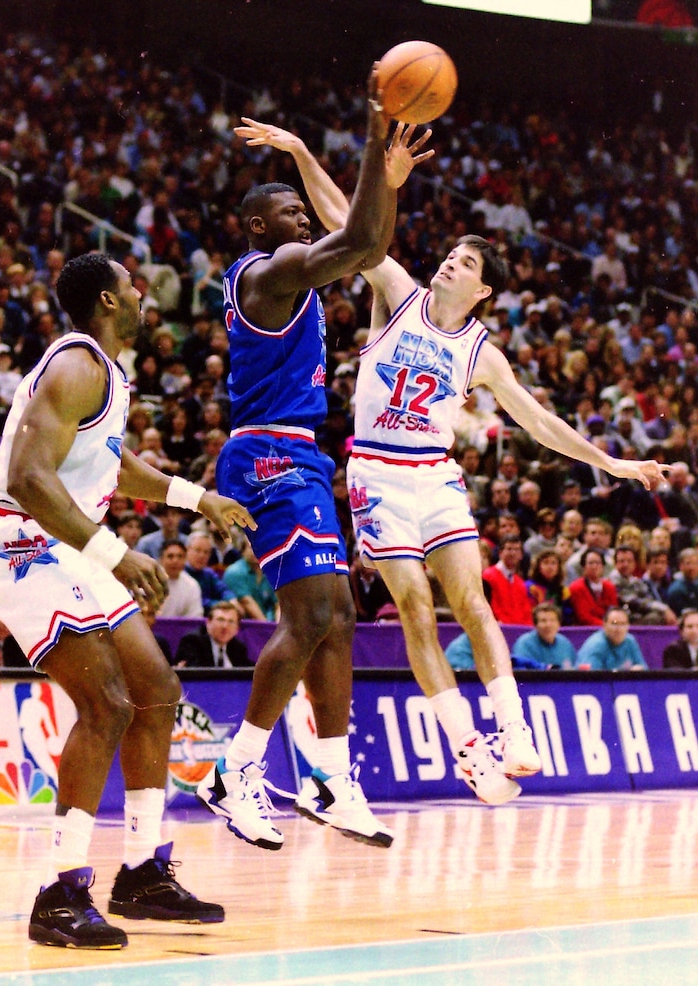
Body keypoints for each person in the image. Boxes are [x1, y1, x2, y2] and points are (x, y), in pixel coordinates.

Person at [238, 118, 667, 808]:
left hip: (435, 475)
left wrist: (612, 465)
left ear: (483, 290)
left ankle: (514, 729)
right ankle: (468, 751)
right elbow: (346, 222)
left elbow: (539, 422)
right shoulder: (397, 292)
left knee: (472, 603)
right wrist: (302, 154)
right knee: (415, 607)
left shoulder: (481, 352)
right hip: (377, 472)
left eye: (465, 265)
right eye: (450, 256)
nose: (449, 265)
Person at [0, 253, 256, 948]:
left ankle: (141, 870)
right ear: (109, 301)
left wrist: (196, 497)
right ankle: (59, 891)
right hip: (21, 541)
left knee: (156, 691)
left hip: (67, 544)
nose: (143, 292)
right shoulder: (75, 365)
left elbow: (115, 463)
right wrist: (114, 552)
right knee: (107, 704)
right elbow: (26, 479)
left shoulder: (105, 374)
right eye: (132, 284)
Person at [196, 70, 397, 852]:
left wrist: (377, 174)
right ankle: (235, 769)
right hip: (268, 454)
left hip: (300, 453)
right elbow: (360, 243)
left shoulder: (292, 278)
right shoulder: (267, 272)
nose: (301, 220)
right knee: (312, 616)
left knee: (338, 617)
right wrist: (375, 143)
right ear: (257, 225)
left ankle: (330, 779)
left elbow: (364, 242)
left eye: (302, 213)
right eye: (289, 212)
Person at [175, 600, 254, 668]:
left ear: (237, 628)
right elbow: (196, 673)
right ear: (208, 623)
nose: (225, 626)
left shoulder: (238, 648)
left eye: (231, 622)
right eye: (220, 620)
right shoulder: (193, 642)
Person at [223, 532, 279, 621]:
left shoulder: (272, 571)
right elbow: (246, 602)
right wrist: (267, 627)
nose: (256, 551)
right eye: (251, 547)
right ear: (243, 550)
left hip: (271, 622)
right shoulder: (234, 571)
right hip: (245, 624)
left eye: (260, 547)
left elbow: (278, 604)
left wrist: (278, 625)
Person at [576, 607, 648, 670]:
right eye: (614, 623)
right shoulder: (596, 645)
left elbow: (643, 668)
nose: (619, 629)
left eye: (623, 624)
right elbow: (589, 677)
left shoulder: (630, 641)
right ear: (604, 625)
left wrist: (639, 670)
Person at [511, 602, 578, 669]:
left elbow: (573, 668)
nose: (548, 625)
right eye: (543, 621)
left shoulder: (565, 644)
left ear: (559, 624)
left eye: (552, 620)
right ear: (535, 625)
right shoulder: (524, 644)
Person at [568, 548, 619, 625]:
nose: (594, 566)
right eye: (591, 563)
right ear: (583, 567)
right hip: (585, 629)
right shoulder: (576, 587)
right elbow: (584, 617)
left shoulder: (610, 587)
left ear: (603, 566)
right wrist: (607, 625)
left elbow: (614, 612)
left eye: (598, 563)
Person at [156, 539, 204, 618]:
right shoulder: (149, 581)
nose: (175, 561)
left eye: (180, 557)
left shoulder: (192, 585)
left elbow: (195, 617)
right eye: (170, 556)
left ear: (185, 560)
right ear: (161, 560)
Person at [667, 547, 698, 616]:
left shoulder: (696, 583)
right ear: (680, 566)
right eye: (688, 563)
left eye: (695, 563)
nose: (692, 567)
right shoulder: (676, 589)